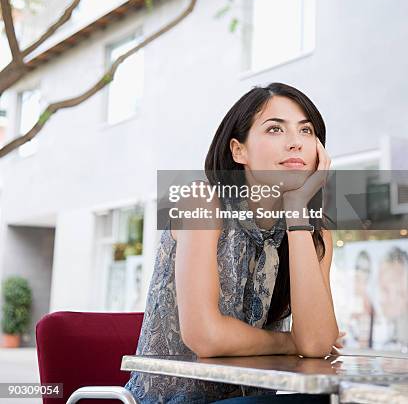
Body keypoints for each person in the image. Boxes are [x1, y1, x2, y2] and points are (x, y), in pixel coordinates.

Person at [125, 82, 344, 403]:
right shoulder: (200, 199)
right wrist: (287, 341)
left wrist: (297, 210)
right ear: (238, 150)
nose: (295, 143)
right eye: (275, 130)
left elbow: (315, 344)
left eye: (306, 131)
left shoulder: (314, 229)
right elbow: (205, 337)